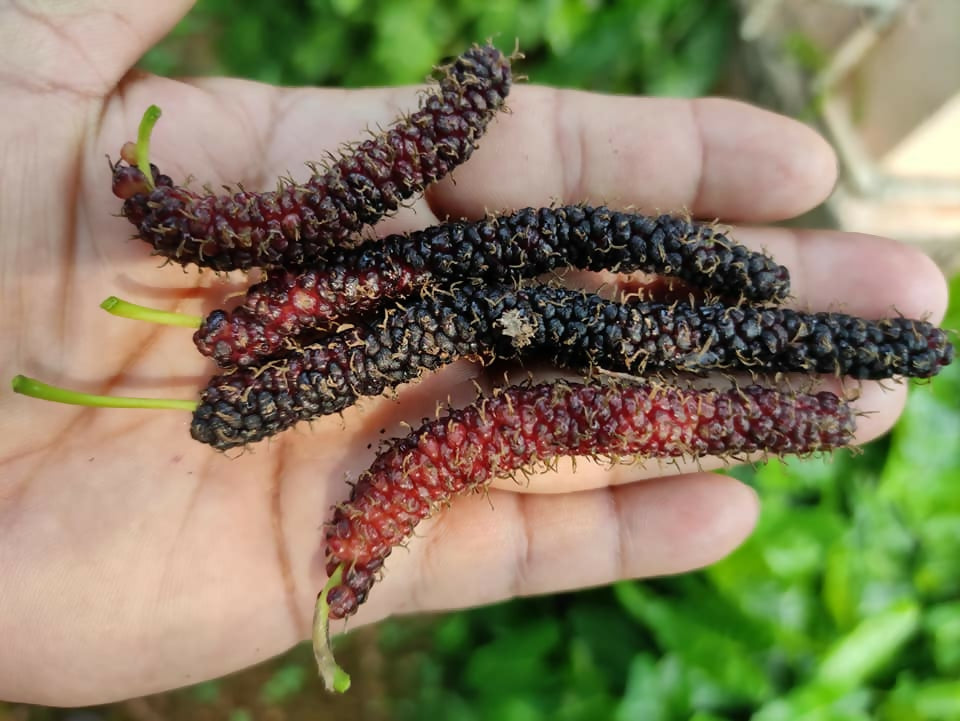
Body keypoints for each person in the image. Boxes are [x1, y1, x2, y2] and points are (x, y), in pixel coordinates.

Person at [0, 0, 947, 706]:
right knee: (460, 295)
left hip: (463, 310)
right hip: (361, 320)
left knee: (489, 303)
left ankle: (857, 351)